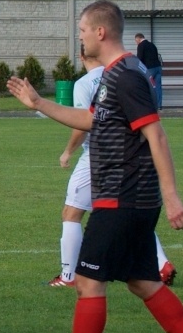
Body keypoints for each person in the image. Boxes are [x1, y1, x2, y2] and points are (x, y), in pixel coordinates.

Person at [8, 0, 183, 333]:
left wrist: (172, 196)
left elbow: (156, 134)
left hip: (123, 196)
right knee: (143, 282)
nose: (80, 38)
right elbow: (91, 120)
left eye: (83, 30)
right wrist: (39, 103)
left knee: (88, 282)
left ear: (100, 32)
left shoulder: (126, 76)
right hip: (125, 196)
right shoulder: (114, 74)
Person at [50, 49, 176, 288]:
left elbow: (85, 123)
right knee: (128, 213)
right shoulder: (127, 71)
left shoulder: (86, 83)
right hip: (130, 154)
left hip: (99, 155)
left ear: (82, 56)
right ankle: (161, 264)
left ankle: (68, 276)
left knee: (71, 213)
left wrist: (67, 152)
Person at [134, 32, 163, 109]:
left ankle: (148, 104)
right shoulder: (152, 45)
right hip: (158, 67)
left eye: (136, 41)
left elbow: (140, 59)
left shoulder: (141, 46)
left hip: (150, 68)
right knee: (158, 87)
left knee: (147, 86)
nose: (136, 43)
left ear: (138, 39)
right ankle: (159, 105)